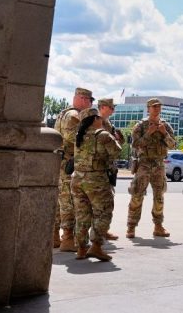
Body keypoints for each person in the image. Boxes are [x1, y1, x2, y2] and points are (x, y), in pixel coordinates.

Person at [71, 108, 121, 261]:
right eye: (99, 117)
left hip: (77, 179)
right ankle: (96, 247)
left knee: (81, 215)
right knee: (103, 212)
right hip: (96, 181)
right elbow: (117, 152)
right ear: (94, 119)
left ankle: (80, 248)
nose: (102, 120)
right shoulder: (103, 135)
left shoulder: (78, 135)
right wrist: (115, 139)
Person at [126, 98, 176, 238]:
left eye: (159, 106)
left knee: (159, 196)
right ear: (148, 108)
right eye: (154, 107)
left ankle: (158, 226)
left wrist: (163, 133)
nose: (156, 109)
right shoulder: (140, 126)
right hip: (144, 164)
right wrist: (149, 133)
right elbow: (135, 145)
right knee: (137, 194)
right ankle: (131, 226)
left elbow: (173, 145)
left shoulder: (165, 125)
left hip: (159, 164)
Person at [53, 87, 94, 252]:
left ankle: (55, 237)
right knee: (69, 203)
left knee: (60, 202)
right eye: (90, 102)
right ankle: (68, 239)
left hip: (62, 164)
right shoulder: (73, 116)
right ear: (84, 99)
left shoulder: (63, 113)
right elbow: (76, 139)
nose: (90, 105)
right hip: (69, 165)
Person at [96, 98, 123, 241]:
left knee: (107, 201)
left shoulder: (108, 123)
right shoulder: (96, 122)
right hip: (99, 167)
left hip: (108, 167)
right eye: (111, 108)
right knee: (98, 202)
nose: (113, 110)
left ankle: (103, 230)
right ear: (103, 107)